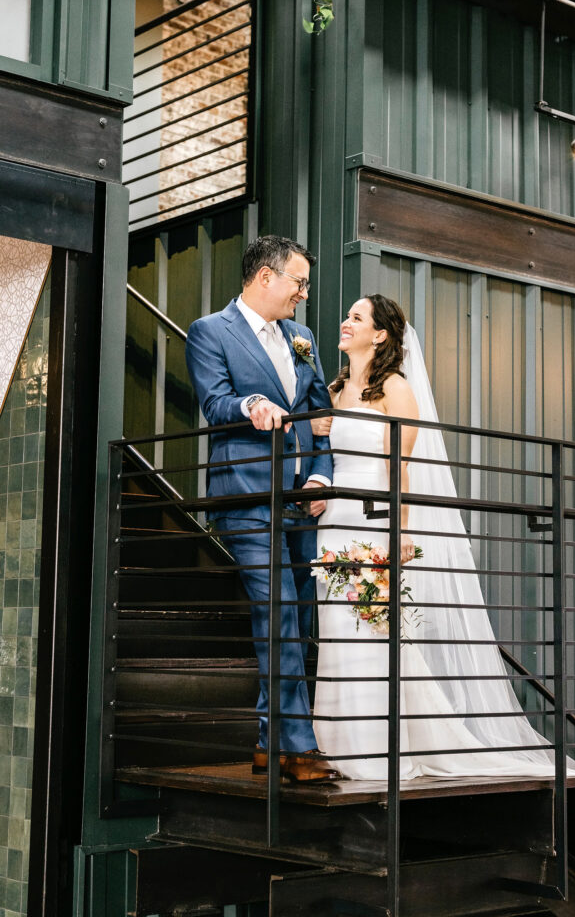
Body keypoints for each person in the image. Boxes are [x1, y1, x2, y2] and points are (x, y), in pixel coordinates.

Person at [311, 293, 575, 876]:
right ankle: (336, 744)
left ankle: (380, 748)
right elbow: (322, 456)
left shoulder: (397, 391)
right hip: (332, 525)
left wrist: (400, 535)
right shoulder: (331, 395)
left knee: (373, 634)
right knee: (338, 634)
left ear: (380, 336)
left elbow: (402, 471)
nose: (345, 321)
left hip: (375, 524)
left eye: (355, 316)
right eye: (347, 313)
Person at [185, 235, 338, 782]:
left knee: (296, 617)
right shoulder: (210, 331)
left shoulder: (302, 336)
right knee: (277, 618)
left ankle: (267, 741)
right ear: (265, 277)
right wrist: (251, 403)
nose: (303, 293)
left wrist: (321, 474)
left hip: (301, 500)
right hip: (248, 496)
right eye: (298, 282)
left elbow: (319, 411)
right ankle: (299, 747)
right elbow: (214, 401)